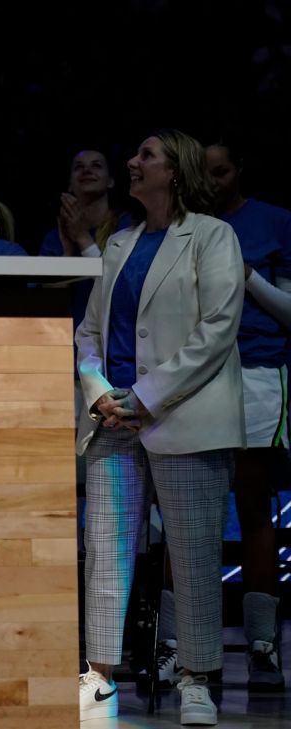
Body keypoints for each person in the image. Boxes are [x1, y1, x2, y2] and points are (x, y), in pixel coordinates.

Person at [75, 129, 244, 725]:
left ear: (175, 171)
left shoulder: (213, 236)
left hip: (181, 416)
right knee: (107, 549)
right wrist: (98, 392)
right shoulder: (117, 244)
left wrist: (146, 396)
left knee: (194, 551)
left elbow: (218, 328)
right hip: (114, 418)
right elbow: (89, 331)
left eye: (146, 155)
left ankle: (197, 677)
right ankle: (98, 673)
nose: (133, 162)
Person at [157, 139, 291, 691]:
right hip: (193, 376)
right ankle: (172, 644)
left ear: (240, 172)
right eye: (204, 173)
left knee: (254, 504)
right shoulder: (178, 226)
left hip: (258, 373)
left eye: (221, 172)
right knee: (185, 513)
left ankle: (262, 645)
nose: (212, 182)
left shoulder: (273, 223)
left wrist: (245, 274)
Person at [39, 148, 133, 326]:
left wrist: (82, 237)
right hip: (66, 335)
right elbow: (47, 301)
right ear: (69, 184)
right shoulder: (55, 237)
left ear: (110, 181)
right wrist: (67, 253)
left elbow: (121, 288)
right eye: (78, 167)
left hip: (113, 333)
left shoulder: (126, 227)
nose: (87, 170)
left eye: (96, 166)